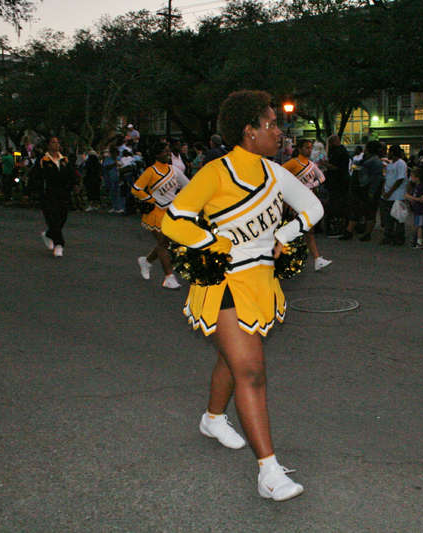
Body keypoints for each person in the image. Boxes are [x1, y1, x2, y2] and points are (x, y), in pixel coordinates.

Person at [161, 90, 323, 502]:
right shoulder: (217, 172)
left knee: (233, 357)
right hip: (225, 282)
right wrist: (214, 244)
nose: (279, 131)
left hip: (262, 283)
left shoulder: (275, 173)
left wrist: (285, 234)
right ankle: (268, 472)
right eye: (271, 125)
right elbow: (174, 221)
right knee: (250, 369)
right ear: (249, 132)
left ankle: (213, 418)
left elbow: (312, 208)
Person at [131, 142, 189, 289]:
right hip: (155, 212)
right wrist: (149, 199)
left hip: (171, 212)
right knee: (163, 243)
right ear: (157, 154)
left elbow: (188, 186)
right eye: (164, 151)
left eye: (169, 151)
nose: (168, 154)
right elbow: (136, 189)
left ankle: (147, 261)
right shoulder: (151, 171)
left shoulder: (174, 170)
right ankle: (169, 278)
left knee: (167, 244)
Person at [282, 139, 332, 270]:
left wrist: (311, 184)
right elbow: (278, 175)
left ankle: (316, 259)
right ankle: (287, 257)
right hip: (295, 201)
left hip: (307, 200)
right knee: (301, 231)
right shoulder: (293, 163)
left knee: (308, 231)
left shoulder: (311, 164)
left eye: (310, 148)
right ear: (299, 149)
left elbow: (322, 177)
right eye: (306, 148)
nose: (309, 151)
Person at [25, 137, 77, 258]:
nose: (56, 145)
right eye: (53, 142)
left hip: (63, 193)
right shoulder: (43, 160)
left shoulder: (64, 159)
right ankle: (59, 244)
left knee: (62, 217)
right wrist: (28, 192)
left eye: (58, 143)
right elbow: (34, 176)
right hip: (48, 194)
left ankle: (49, 235)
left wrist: (75, 184)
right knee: (53, 217)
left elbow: (71, 173)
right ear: (48, 145)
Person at [379, 144, 408, 245]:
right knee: (388, 218)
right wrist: (383, 190)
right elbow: (386, 178)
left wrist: (390, 192)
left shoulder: (401, 164)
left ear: (393, 153)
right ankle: (389, 236)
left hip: (397, 195)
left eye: (389, 152)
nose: (387, 154)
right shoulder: (390, 164)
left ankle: (399, 237)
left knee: (398, 217)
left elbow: (400, 179)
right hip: (387, 195)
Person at [405, 167, 423, 247]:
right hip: (416, 209)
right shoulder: (416, 187)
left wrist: (410, 197)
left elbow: (421, 199)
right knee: (417, 225)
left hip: (419, 209)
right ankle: (417, 240)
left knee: (419, 225)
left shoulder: (420, 187)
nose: (411, 178)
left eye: (412, 176)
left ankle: (419, 241)